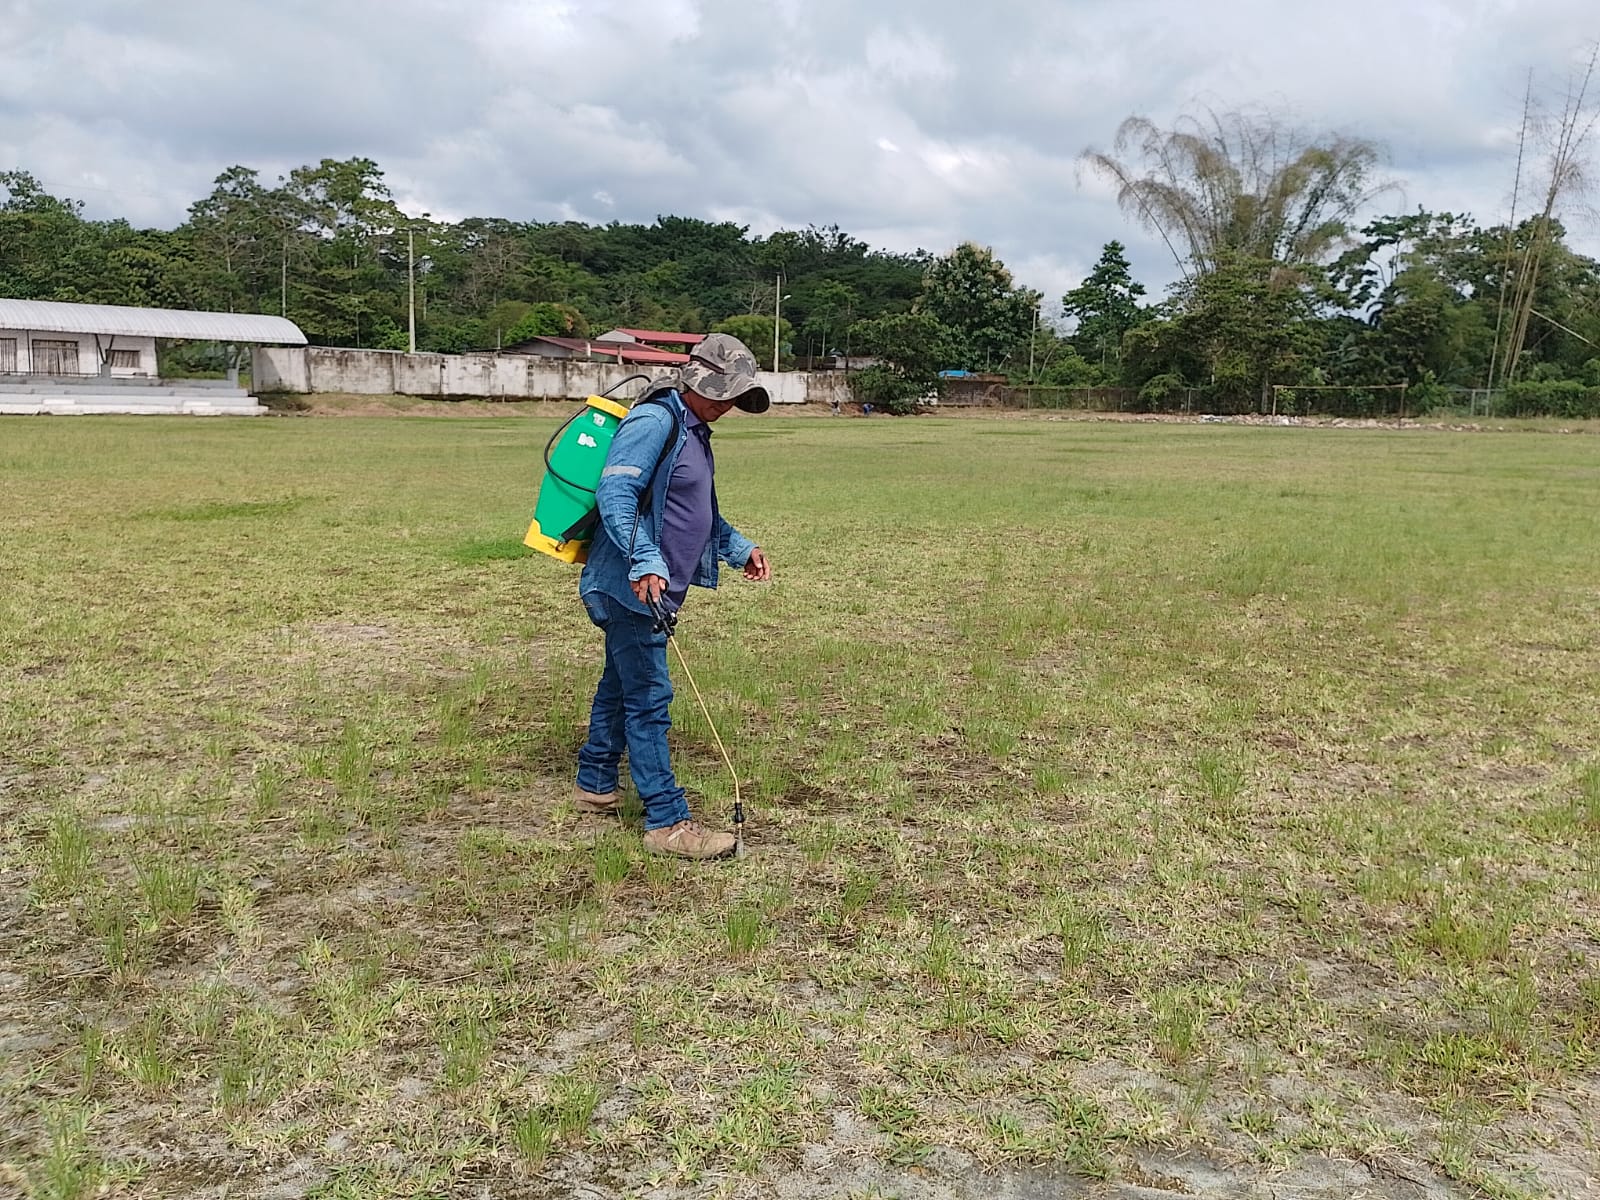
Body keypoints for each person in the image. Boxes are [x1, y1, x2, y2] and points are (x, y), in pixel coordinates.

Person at [572, 333, 773, 860]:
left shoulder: (694, 430)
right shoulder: (654, 421)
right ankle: (666, 821)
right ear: (697, 380)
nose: (728, 405)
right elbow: (616, 492)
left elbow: (699, 511)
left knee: (621, 684)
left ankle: (595, 781)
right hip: (630, 587)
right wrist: (643, 557)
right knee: (649, 698)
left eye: (736, 396)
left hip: (653, 589)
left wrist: (739, 548)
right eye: (724, 393)